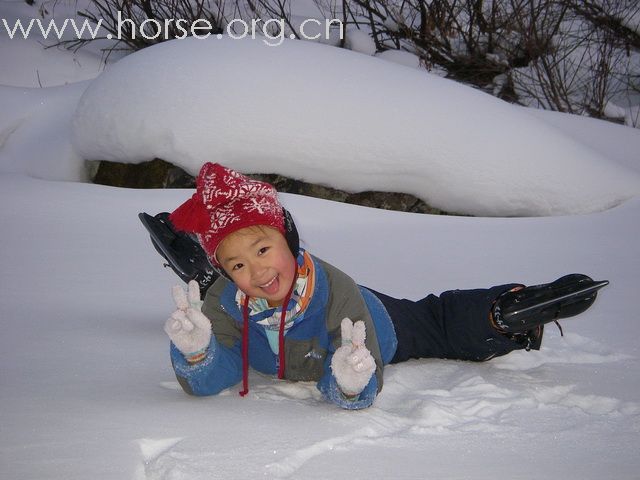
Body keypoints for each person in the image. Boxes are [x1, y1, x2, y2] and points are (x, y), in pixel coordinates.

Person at [154, 162, 608, 410]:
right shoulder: (225, 300)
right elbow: (218, 375)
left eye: (262, 249)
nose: (255, 272)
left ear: (289, 241)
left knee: (437, 321)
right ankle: (204, 267)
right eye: (236, 264)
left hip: (375, 322)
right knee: (215, 307)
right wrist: (198, 352)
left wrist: (350, 382)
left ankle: (504, 312)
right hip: (285, 311)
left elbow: (356, 394)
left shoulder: (339, 295)